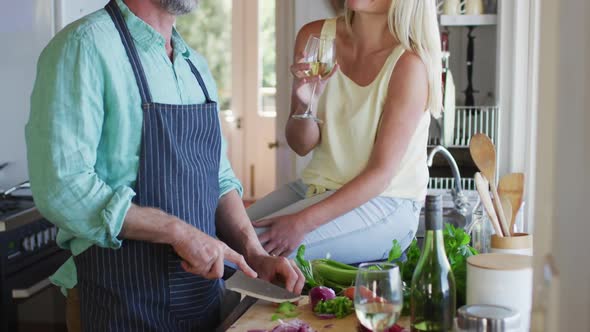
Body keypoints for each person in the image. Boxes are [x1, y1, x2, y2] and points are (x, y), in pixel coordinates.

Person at [25, 0, 304, 331]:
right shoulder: (83, 46)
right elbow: (62, 186)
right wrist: (177, 232)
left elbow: (219, 178)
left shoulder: (194, 66)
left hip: (200, 300)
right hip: (118, 299)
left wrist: (255, 254)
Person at [249, 0, 442, 263]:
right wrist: (306, 103)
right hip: (317, 187)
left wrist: (302, 222)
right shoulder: (315, 37)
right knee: (224, 234)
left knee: (249, 251)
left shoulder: (409, 64)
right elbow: (301, 144)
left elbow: (380, 175)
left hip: (386, 203)